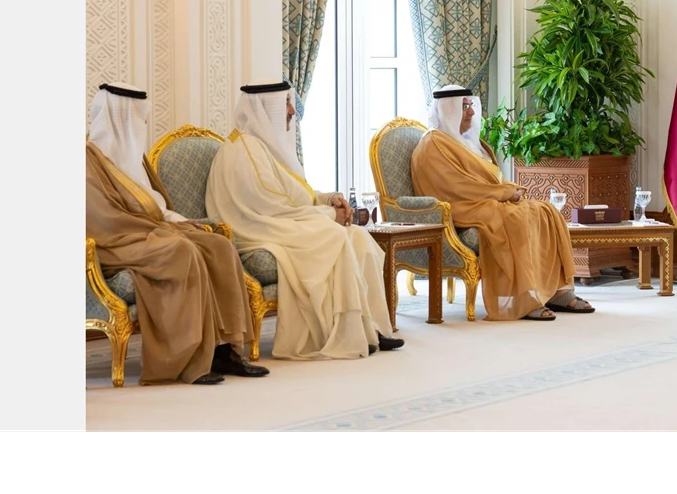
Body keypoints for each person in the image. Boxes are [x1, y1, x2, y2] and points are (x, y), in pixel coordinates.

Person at [205, 78, 403, 360]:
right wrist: (329, 216)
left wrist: (329, 199)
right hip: (258, 231)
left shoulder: (265, 146)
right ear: (266, 108)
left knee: (359, 237)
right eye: (285, 103)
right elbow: (273, 208)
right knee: (334, 235)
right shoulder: (244, 151)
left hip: (282, 224)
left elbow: (295, 195)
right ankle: (341, 332)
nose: (291, 110)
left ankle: (368, 328)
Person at [86, 82, 270, 385]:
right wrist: (162, 229)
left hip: (148, 233)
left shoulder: (132, 157)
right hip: (115, 243)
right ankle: (187, 360)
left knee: (218, 245)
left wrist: (181, 221)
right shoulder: (88, 163)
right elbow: (104, 221)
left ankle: (224, 351)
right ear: (121, 117)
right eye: (140, 117)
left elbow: (155, 206)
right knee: (181, 251)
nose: (145, 122)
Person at [410, 84, 593, 322]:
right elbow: (457, 187)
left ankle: (557, 291)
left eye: (471, 106)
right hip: (462, 207)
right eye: (464, 107)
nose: (471, 112)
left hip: (484, 200)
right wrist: (504, 192)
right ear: (448, 109)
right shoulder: (433, 144)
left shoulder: (462, 141)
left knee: (546, 211)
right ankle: (524, 299)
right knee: (515, 219)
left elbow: (486, 178)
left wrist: (507, 190)